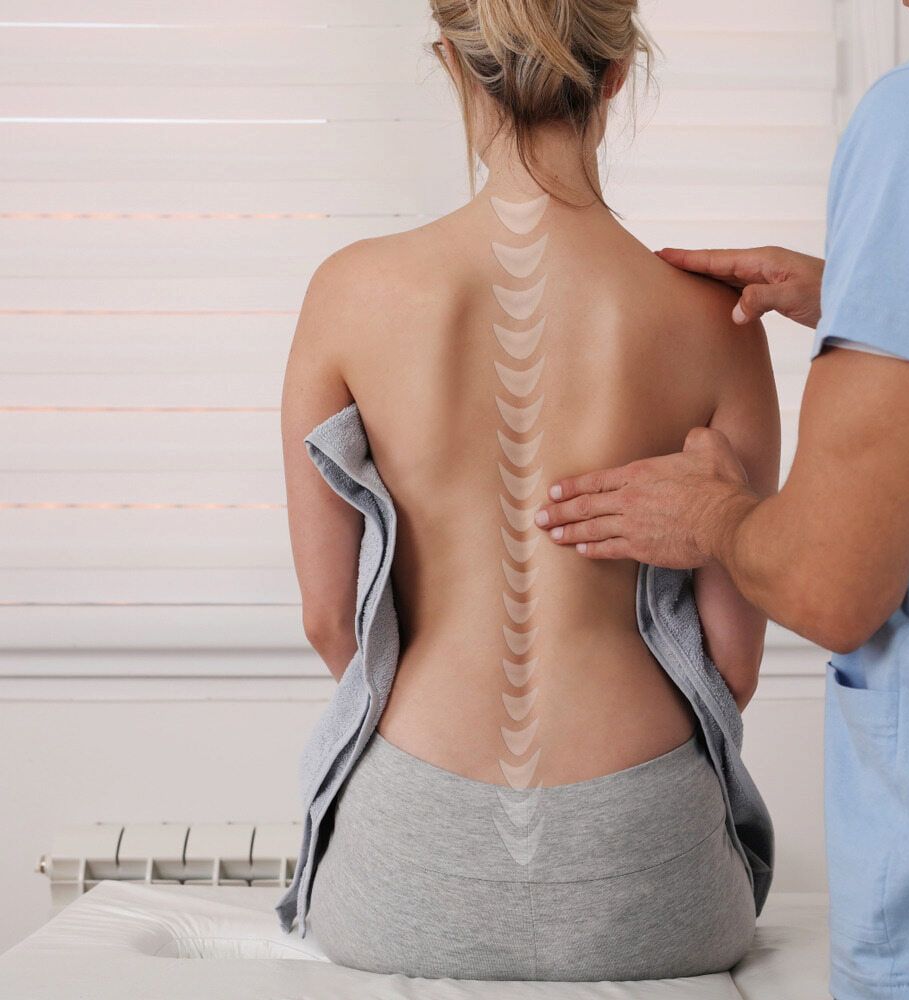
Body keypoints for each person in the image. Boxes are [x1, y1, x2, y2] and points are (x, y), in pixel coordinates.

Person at [278, 0, 780, 982]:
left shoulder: (348, 291)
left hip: (408, 866)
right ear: (617, 78)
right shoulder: (716, 321)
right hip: (648, 873)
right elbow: (732, 665)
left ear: (454, 69)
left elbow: (327, 620)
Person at [534, 4, 909, 998]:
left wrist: (712, 518)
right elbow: (727, 673)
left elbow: (828, 585)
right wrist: (888, 295)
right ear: (616, 77)